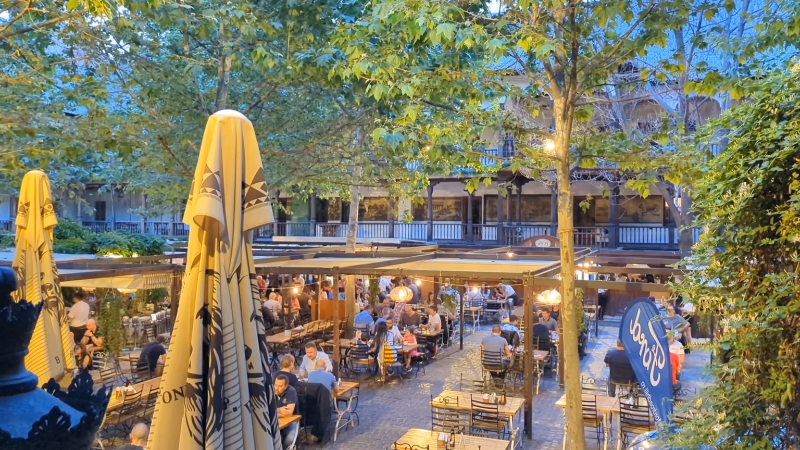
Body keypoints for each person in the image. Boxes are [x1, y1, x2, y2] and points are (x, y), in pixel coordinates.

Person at [275, 374, 299, 449]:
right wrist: (278, 410)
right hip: (276, 420)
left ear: (286, 386)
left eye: (280, 386)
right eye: (275, 385)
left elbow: (288, 413)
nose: (276, 388)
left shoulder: (291, 391)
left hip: (291, 420)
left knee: (289, 439)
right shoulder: (271, 390)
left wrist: (273, 412)